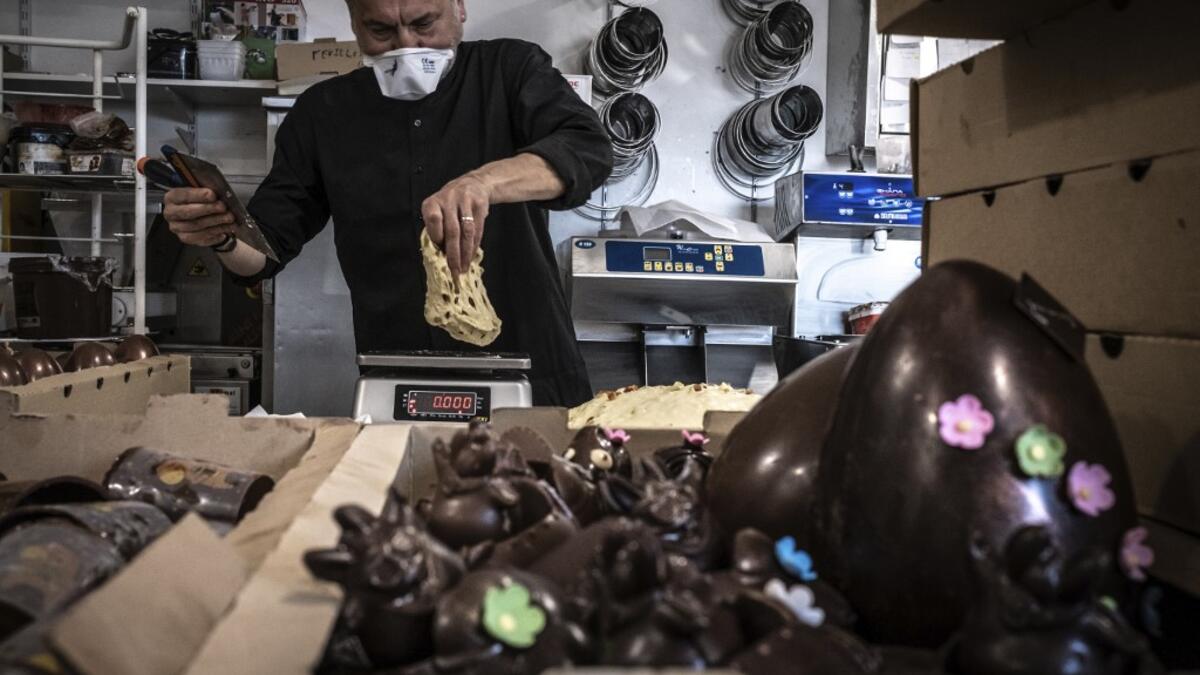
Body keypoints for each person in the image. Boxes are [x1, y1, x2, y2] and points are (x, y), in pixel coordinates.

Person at [163, 0, 613, 406]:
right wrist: (221, 235)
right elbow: (263, 253)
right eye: (381, 31)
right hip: (401, 377)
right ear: (355, 25)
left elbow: (588, 149)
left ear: (458, 8)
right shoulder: (323, 114)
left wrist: (485, 182)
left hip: (533, 371)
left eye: (424, 23)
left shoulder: (510, 70)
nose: (407, 45)